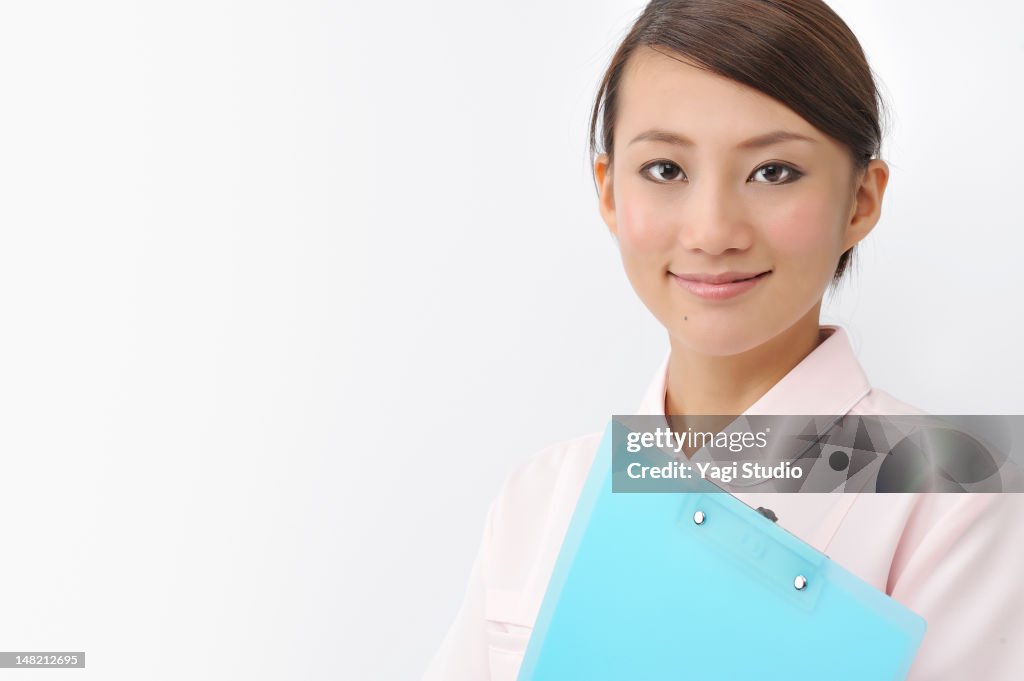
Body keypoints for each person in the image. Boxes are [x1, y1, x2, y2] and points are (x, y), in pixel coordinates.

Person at [421, 1, 1024, 679]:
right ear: (610, 191)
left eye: (773, 171)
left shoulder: (953, 490)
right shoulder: (541, 493)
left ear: (861, 200)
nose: (712, 230)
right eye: (666, 171)